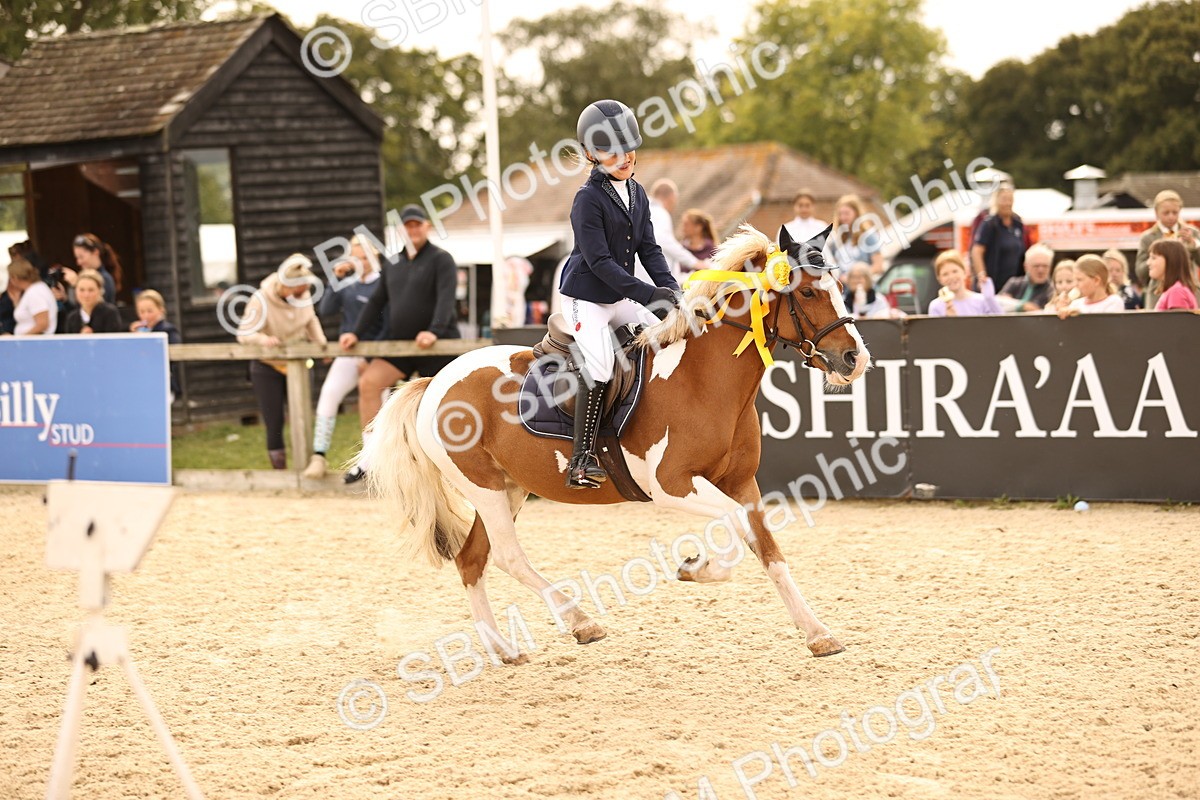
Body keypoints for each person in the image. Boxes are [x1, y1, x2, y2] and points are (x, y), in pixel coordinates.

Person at [557, 99, 680, 488]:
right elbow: (600, 263)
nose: (624, 157)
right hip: (587, 298)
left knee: (673, 333)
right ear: (591, 155)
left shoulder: (638, 193)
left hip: (621, 296)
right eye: (611, 150)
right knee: (600, 365)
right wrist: (649, 295)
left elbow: (650, 250)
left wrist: (674, 294)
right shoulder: (587, 199)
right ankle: (581, 459)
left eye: (628, 146)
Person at [340, 205, 460, 483]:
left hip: (436, 346)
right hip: (401, 346)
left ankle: (451, 464)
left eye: (417, 225)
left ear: (426, 227)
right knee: (369, 383)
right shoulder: (392, 263)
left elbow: (446, 298)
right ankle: (370, 459)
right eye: (408, 226)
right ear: (400, 230)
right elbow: (376, 301)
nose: (413, 230)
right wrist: (355, 332)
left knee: (442, 402)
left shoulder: (442, 260)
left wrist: (434, 331)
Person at [301, 235, 386, 480]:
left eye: (364, 257)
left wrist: (370, 358)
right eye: (356, 257)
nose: (361, 262)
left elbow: (386, 323)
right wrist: (335, 278)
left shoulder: (382, 283)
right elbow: (326, 309)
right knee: (329, 394)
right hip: (348, 354)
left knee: (378, 406)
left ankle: (372, 462)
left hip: (376, 355)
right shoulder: (347, 284)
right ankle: (319, 455)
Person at [237, 255, 327, 470]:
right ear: (286, 286)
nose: (302, 293)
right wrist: (263, 339)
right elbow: (243, 333)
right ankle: (280, 471)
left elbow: (310, 319)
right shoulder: (260, 299)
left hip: (298, 364)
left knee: (303, 418)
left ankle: (304, 466)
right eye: (298, 290)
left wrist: (321, 344)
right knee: (274, 422)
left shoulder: (303, 297)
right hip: (267, 366)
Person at [1135, 190, 1200, 309]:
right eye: (1166, 213)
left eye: (1175, 212)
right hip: (1157, 293)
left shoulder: (1192, 233)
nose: (1171, 216)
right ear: (1156, 213)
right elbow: (1141, 273)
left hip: (1188, 289)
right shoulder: (1148, 237)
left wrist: (1193, 245)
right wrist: (1159, 254)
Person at [970, 184, 1027, 291]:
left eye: (1010, 199)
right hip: (993, 283)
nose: (1007, 203)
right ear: (996, 201)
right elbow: (976, 251)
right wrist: (981, 275)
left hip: (1013, 285)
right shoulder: (989, 224)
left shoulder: (1017, 223)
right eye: (1004, 199)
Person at [130, 289, 182, 402]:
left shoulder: (168, 330)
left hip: (163, 383)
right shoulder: (140, 331)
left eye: (150, 311)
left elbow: (174, 353)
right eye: (142, 312)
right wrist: (134, 338)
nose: (146, 316)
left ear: (160, 310)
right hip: (144, 382)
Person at [645, 178, 703, 280]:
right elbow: (664, 241)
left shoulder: (644, 211)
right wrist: (694, 263)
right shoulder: (660, 213)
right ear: (672, 197)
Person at [928, 250, 1000, 317]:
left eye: (955, 271)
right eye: (945, 274)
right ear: (939, 279)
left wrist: (990, 299)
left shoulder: (981, 301)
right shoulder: (936, 306)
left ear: (965, 272)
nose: (951, 277)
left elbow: (1001, 325)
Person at [826, 194, 883, 277]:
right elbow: (831, 264)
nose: (843, 217)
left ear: (856, 213)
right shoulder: (837, 239)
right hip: (842, 288)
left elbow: (878, 267)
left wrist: (855, 278)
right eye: (840, 214)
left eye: (847, 213)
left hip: (863, 287)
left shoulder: (869, 237)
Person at [3, 257, 57, 336]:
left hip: (33, 344)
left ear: (15, 277)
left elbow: (43, 324)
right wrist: (16, 302)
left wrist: (20, 339)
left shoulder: (35, 292)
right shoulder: (34, 289)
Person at [1058, 255, 1125, 317]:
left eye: (1079, 280)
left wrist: (1080, 315)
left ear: (1096, 280)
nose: (1075, 284)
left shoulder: (1113, 302)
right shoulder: (1076, 304)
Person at [65, 233, 122, 304]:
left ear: (96, 252)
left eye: (81, 257)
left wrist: (76, 285)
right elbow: (80, 312)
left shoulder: (105, 279)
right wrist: (65, 298)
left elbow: (93, 307)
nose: (79, 262)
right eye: (77, 258)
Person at [997, 243, 1054, 312]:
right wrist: (1023, 306)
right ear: (1026, 267)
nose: (1041, 270)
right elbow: (998, 304)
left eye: (1045, 266)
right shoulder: (1014, 283)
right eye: (1036, 266)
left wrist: (1012, 303)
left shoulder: (1051, 289)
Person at [1148, 239, 1199, 311]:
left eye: (1153, 258)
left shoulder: (1177, 291)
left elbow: (1178, 321)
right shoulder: (1175, 289)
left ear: (1170, 261)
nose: (1148, 263)